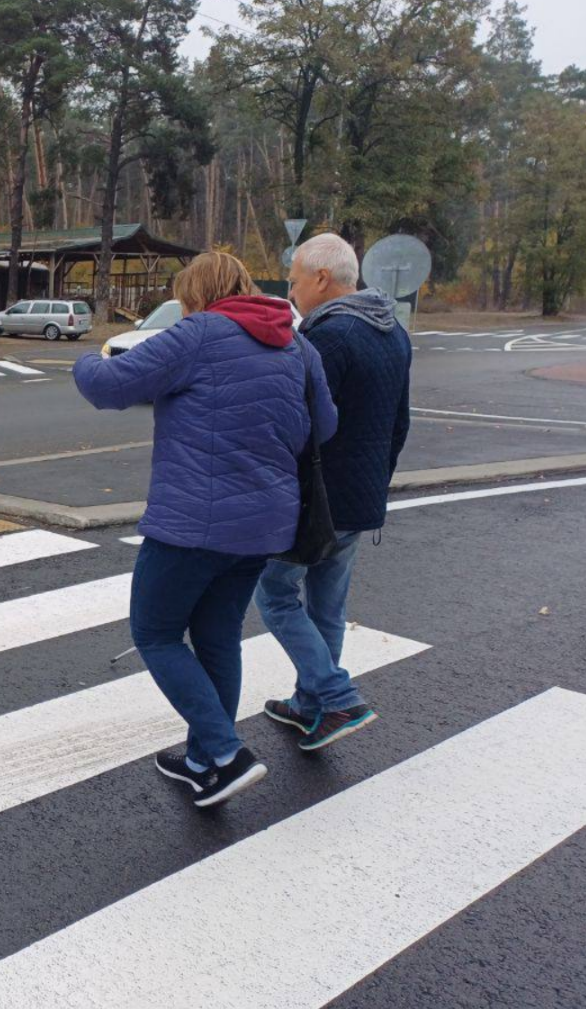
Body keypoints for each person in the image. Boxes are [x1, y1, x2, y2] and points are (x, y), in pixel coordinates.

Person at [73, 252, 337, 808]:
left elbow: (110, 386)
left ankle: (226, 752)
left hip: (192, 523)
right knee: (217, 636)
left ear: (195, 295)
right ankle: (202, 763)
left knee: (156, 634)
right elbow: (327, 423)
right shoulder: (297, 342)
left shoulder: (199, 333)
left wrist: (85, 359)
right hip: (266, 527)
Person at [254, 233, 412, 750]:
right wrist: (376, 486)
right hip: (361, 498)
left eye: (295, 280)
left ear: (322, 278)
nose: (292, 292)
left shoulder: (330, 338)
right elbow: (400, 424)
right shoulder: (393, 332)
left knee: (276, 594)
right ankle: (309, 707)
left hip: (318, 501)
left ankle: (336, 696)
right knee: (326, 607)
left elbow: (299, 427)